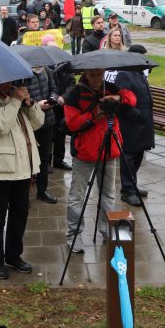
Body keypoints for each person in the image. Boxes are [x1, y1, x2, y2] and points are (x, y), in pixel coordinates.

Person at [63, 67, 136, 252]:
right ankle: (74, 235)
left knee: (108, 195)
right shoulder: (74, 94)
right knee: (77, 196)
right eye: (92, 75)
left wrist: (117, 98)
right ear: (85, 74)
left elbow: (132, 99)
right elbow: (72, 124)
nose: (96, 79)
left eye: (99, 74)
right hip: (85, 153)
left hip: (109, 151)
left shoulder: (111, 87)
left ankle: (107, 230)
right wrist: (96, 113)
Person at [0, 80, 45, 279]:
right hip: (0, 169)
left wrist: (30, 104)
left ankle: (13, 256)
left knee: (20, 214)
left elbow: (38, 123)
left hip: (24, 166)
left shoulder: (16, 95)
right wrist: (15, 102)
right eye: (7, 80)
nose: (12, 84)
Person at [113, 45, 154, 206]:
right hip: (131, 124)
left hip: (143, 123)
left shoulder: (139, 73)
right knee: (129, 157)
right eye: (143, 56)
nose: (146, 59)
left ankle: (132, 184)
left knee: (138, 155)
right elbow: (122, 100)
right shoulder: (124, 74)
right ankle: (127, 190)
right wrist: (136, 115)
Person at [26, 64, 58, 204]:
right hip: (31, 122)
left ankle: (42, 190)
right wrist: (36, 104)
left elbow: (54, 89)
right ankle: (25, 193)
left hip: (47, 120)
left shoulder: (47, 71)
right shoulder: (24, 74)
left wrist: (52, 99)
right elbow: (21, 99)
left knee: (45, 157)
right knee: (28, 159)